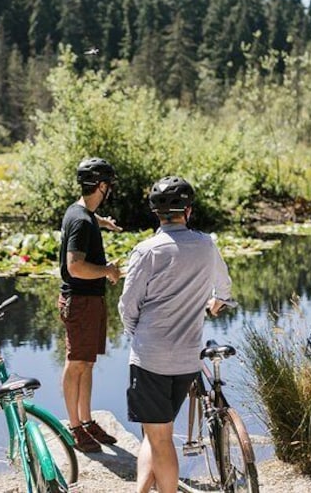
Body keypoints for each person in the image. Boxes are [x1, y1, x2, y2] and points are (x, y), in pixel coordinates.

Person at [117, 176, 233, 493]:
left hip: (150, 358)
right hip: (187, 360)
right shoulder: (207, 245)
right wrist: (212, 303)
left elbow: (127, 306)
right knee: (153, 431)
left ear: (156, 213)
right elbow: (224, 291)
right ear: (189, 211)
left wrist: (136, 337)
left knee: (161, 438)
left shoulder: (147, 251)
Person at [58, 157, 122, 453]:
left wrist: (103, 222)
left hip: (88, 302)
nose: (109, 190)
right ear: (101, 186)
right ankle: (74, 428)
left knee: (87, 363)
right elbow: (75, 267)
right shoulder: (82, 221)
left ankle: (86, 421)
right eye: (107, 185)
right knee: (76, 364)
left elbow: (84, 216)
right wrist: (107, 269)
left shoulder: (79, 211)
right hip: (81, 301)